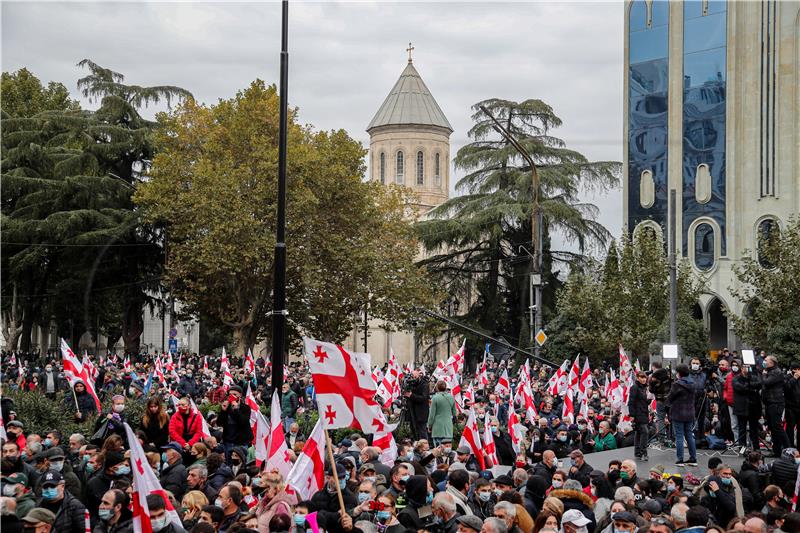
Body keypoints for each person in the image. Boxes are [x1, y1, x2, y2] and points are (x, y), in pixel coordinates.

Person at [666, 364, 698, 467]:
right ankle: (693, 458)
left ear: (679, 373)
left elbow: (670, 398)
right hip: (690, 413)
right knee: (689, 435)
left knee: (679, 436)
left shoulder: (677, 384)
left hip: (678, 412)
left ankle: (680, 459)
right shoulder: (693, 383)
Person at [763, 356, 791, 456]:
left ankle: (789, 450)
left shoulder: (776, 372)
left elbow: (766, 383)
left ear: (772, 363)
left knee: (777, 427)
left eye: (766, 361)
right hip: (770, 402)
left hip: (776, 403)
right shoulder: (771, 371)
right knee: (772, 428)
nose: (764, 362)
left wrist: (764, 375)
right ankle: (777, 451)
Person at [216, 387, 253, 462]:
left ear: (240, 395)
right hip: (229, 441)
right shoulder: (226, 407)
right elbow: (219, 423)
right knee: (229, 462)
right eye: (230, 395)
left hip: (241, 442)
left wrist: (236, 410)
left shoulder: (245, 408)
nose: (232, 396)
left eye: (234, 394)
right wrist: (223, 411)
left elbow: (243, 422)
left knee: (241, 463)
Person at [732, 363, 762, 449]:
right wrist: (751, 387)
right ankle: (742, 448)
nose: (747, 369)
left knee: (754, 429)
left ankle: (756, 448)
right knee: (742, 429)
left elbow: (759, 384)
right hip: (741, 407)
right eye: (745, 367)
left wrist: (750, 386)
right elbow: (740, 388)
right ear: (741, 368)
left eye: (749, 367)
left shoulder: (754, 377)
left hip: (753, 407)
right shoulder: (736, 378)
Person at [628, 371, 650, 461]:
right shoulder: (634, 387)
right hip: (638, 413)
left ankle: (638, 452)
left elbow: (644, 402)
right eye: (641, 377)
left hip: (644, 413)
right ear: (637, 378)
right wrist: (632, 415)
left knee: (638, 433)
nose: (644, 379)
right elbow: (631, 402)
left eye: (645, 377)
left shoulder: (645, 388)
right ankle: (643, 452)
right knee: (645, 432)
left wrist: (650, 398)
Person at [428, 380, 457, 447]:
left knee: (438, 451)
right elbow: (454, 413)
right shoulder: (451, 397)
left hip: (437, 426)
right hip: (448, 426)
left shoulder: (435, 398)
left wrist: (429, 426)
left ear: (437, 388)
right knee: (447, 448)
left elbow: (432, 415)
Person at [405, 368, 430, 441]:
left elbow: (423, 398)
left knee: (422, 431)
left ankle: (425, 445)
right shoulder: (411, 385)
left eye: (414, 377)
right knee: (414, 430)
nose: (413, 379)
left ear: (419, 376)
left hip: (421, 413)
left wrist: (411, 395)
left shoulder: (424, 385)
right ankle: (416, 443)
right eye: (412, 377)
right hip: (412, 412)